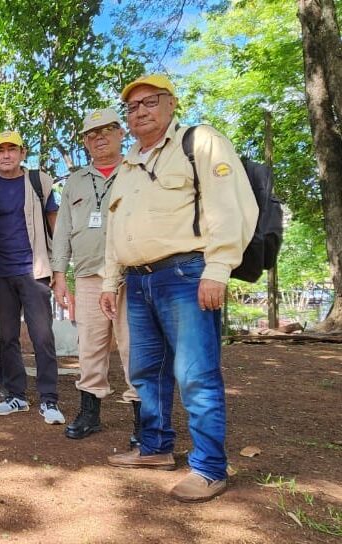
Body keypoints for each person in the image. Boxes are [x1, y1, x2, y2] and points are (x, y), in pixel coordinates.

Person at [102, 74, 256, 502]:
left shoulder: (199, 141)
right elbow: (118, 227)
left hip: (187, 275)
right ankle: (154, 448)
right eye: (132, 107)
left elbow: (230, 203)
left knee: (195, 374)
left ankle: (208, 468)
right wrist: (110, 279)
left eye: (149, 102)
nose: (140, 112)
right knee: (144, 372)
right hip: (137, 281)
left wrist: (218, 267)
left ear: (170, 105)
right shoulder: (129, 164)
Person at [51, 108, 141, 445]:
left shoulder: (136, 170)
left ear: (121, 133)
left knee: (135, 346)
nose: (98, 138)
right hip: (88, 276)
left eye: (106, 130)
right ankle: (90, 413)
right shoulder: (74, 180)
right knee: (89, 347)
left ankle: (142, 419)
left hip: (131, 275)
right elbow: (63, 231)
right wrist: (60, 274)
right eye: (91, 134)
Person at [0, 130, 64, 425]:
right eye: (0, 150)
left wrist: (60, 268)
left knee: (42, 336)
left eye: (12, 149)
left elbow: (55, 223)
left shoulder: (38, 181)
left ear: (22, 152)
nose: (6, 155)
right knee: (6, 338)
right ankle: (16, 396)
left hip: (34, 270)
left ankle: (49, 400)